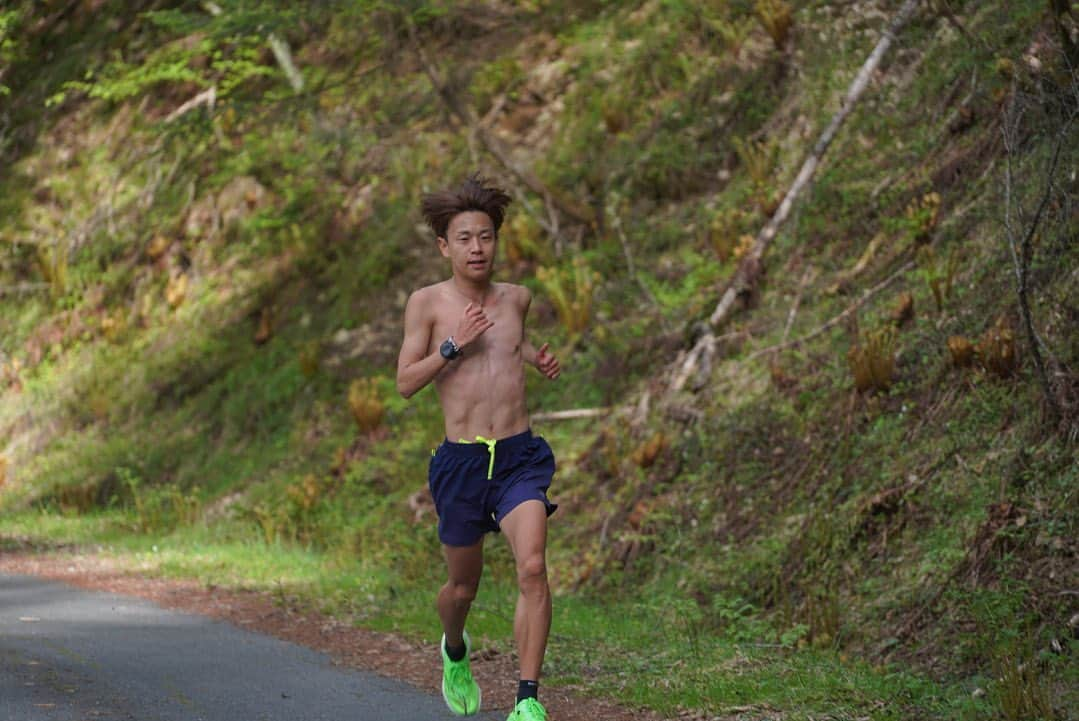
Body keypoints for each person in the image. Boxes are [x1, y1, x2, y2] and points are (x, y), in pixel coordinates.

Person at [396, 174, 562, 721]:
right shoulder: (426, 304)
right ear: (445, 246)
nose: (477, 248)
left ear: (497, 240)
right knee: (462, 587)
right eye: (464, 238)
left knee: (533, 568)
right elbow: (405, 382)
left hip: (518, 458)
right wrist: (451, 346)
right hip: (462, 464)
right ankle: (455, 648)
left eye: (486, 236)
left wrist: (537, 358)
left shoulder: (518, 298)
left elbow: (509, 348)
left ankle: (527, 701)